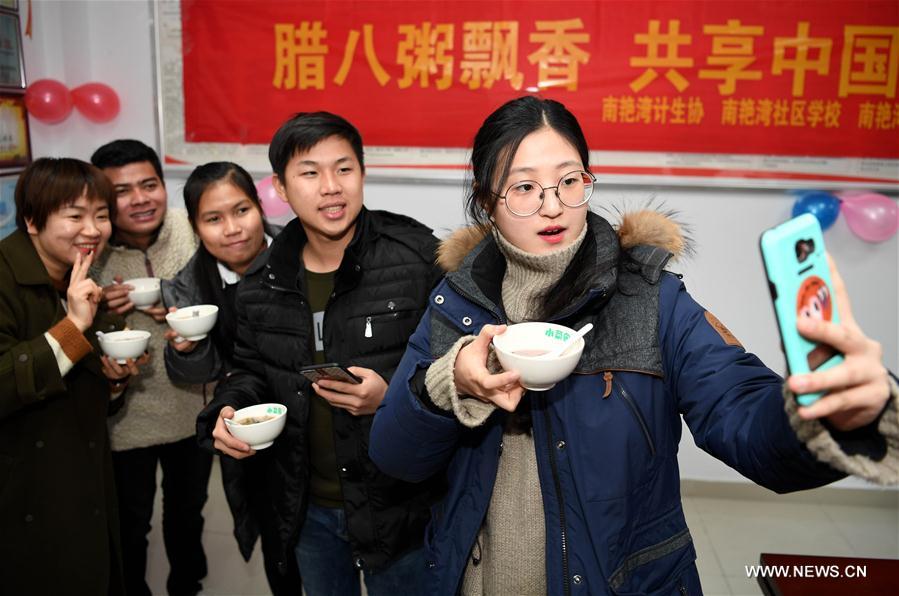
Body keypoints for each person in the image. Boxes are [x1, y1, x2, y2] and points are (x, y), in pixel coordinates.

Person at [369, 96, 899, 596]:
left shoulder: (651, 299)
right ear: (488, 201)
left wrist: (825, 411)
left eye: (569, 181)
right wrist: (449, 382)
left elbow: (739, 408)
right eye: (525, 188)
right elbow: (394, 455)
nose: (553, 206)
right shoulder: (457, 301)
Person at [196, 112, 445, 596]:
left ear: (363, 173)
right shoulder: (261, 281)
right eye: (310, 173)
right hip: (307, 508)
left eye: (344, 169)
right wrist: (228, 408)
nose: (331, 187)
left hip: (400, 506)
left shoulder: (418, 257)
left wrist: (393, 396)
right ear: (281, 189)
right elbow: (249, 370)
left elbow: (453, 366)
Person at [0, 158, 144, 595]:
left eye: (101, 215)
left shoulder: (76, 277)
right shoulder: (5, 279)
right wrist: (74, 326)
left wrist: (116, 381)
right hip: (22, 485)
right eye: (75, 215)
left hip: (81, 474)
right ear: (32, 220)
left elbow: (84, 387)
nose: (93, 229)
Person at [160, 161, 301, 595]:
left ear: (261, 206)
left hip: (321, 420)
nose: (232, 229)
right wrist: (188, 348)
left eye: (241, 210)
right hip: (255, 434)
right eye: (213, 219)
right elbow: (200, 374)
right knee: (280, 548)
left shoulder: (305, 250)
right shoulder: (187, 286)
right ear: (194, 226)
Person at [90, 140, 212, 596]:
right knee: (128, 523)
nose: (140, 199)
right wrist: (101, 310)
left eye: (149, 184)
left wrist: (184, 300)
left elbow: (233, 284)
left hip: (191, 408)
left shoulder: (193, 228)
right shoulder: (90, 247)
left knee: (188, 515)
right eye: (122, 191)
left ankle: (188, 587)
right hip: (125, 423)